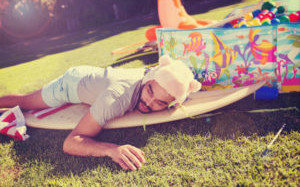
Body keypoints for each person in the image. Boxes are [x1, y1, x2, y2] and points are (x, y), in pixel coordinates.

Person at [0, 55, 201, 171]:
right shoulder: (116, 98)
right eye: (149, 91)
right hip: (70, 84)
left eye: (160, 102)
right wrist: (112, 150)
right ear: (149, 79)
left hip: (95, 76)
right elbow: (71, 142)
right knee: (25, 102)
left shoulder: (155, 76)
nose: (149, 103)